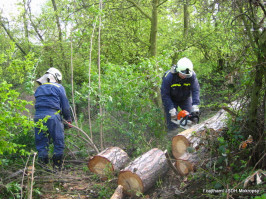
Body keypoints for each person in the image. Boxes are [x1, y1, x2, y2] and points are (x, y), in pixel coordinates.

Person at [34, 67, 72, 171]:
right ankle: (57, 168)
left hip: (38, 117)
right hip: (53, 116)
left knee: (41, 143)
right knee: (58, 142)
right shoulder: (59, 87)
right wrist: (68, 119)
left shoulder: (38, 89)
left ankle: (43, 169)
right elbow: (65, 106)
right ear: (56, 77)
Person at [161, 57, 200, 136]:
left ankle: (193, 136)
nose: (184, 76)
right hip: (171, 100)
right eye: (182, 74)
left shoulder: (192, 76)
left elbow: (195, 90)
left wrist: (195, 104)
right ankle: (172, 139)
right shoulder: (169, 77)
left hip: (185, 98)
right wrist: (171, 108)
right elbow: (165, 95)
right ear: (178, 70)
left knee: (193, 117)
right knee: (172, 121)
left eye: (186, 75)